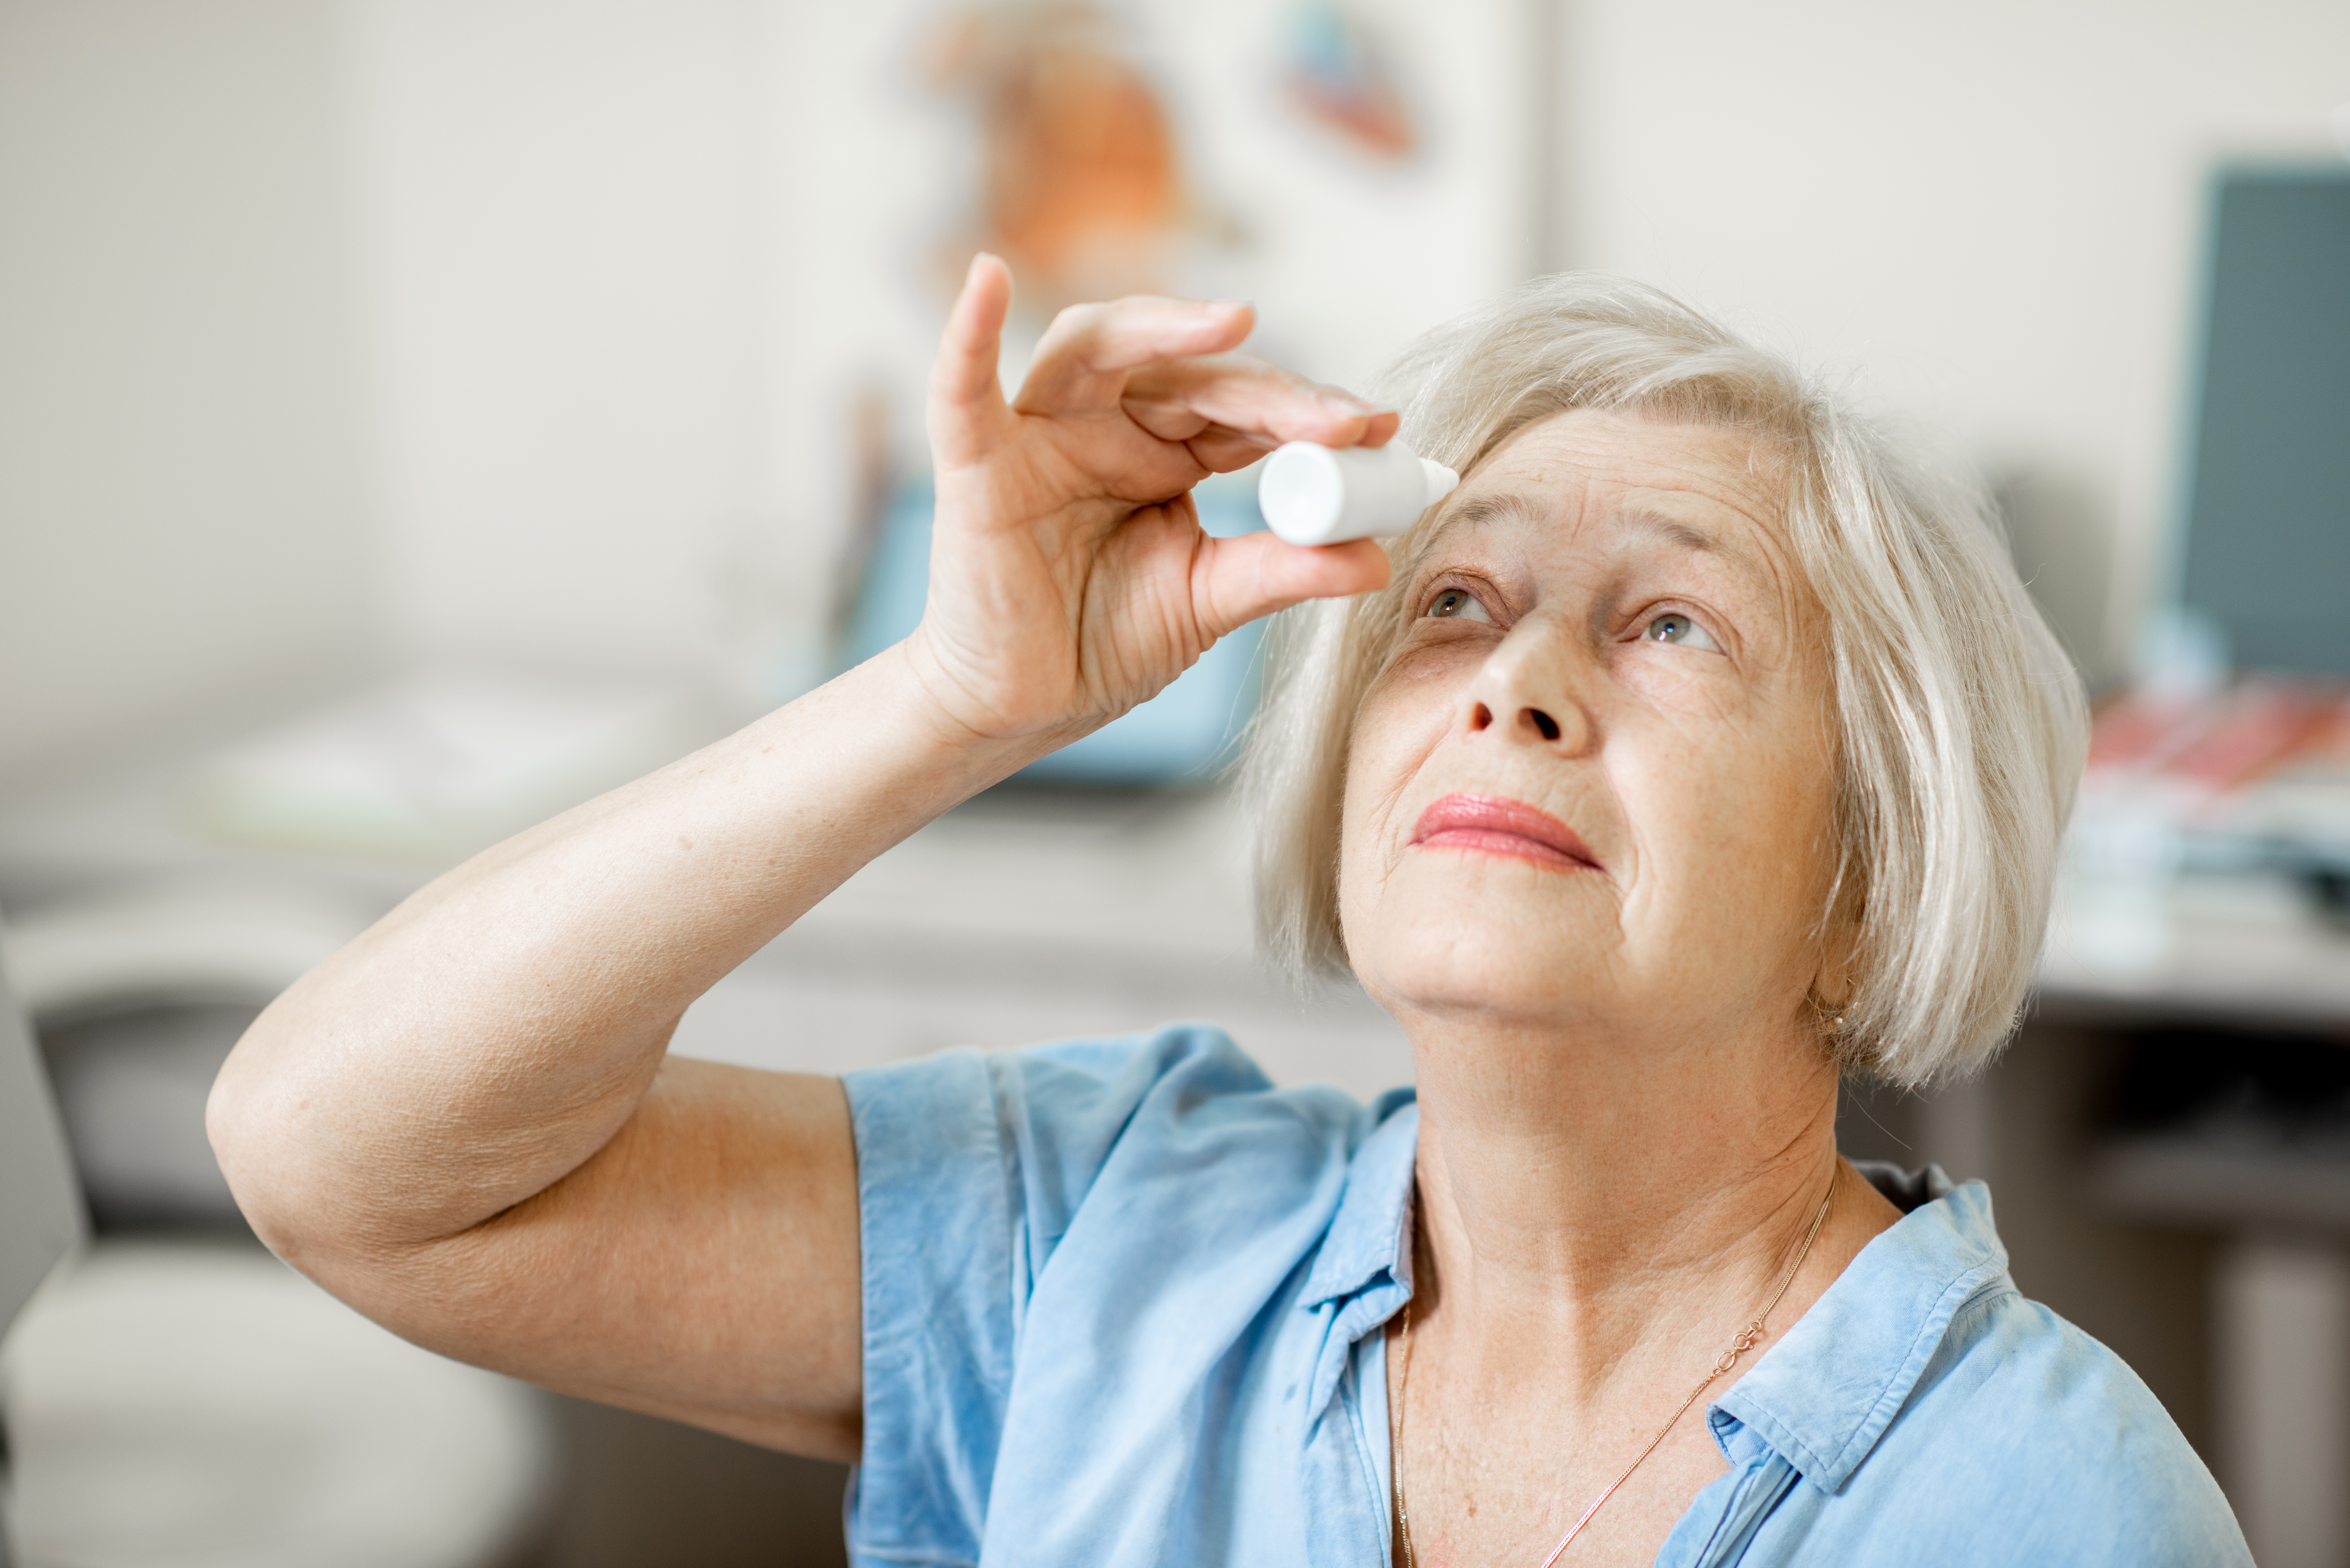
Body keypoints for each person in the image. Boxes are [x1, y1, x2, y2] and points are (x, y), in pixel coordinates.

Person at [208, 258, 2249, 1566]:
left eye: (1671, 622)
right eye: (1455, 598)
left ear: (1862, 871)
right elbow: (340, 1162)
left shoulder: (2049, 1512)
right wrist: (955, 698)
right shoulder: (1106, 1241)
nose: (1509, 684)